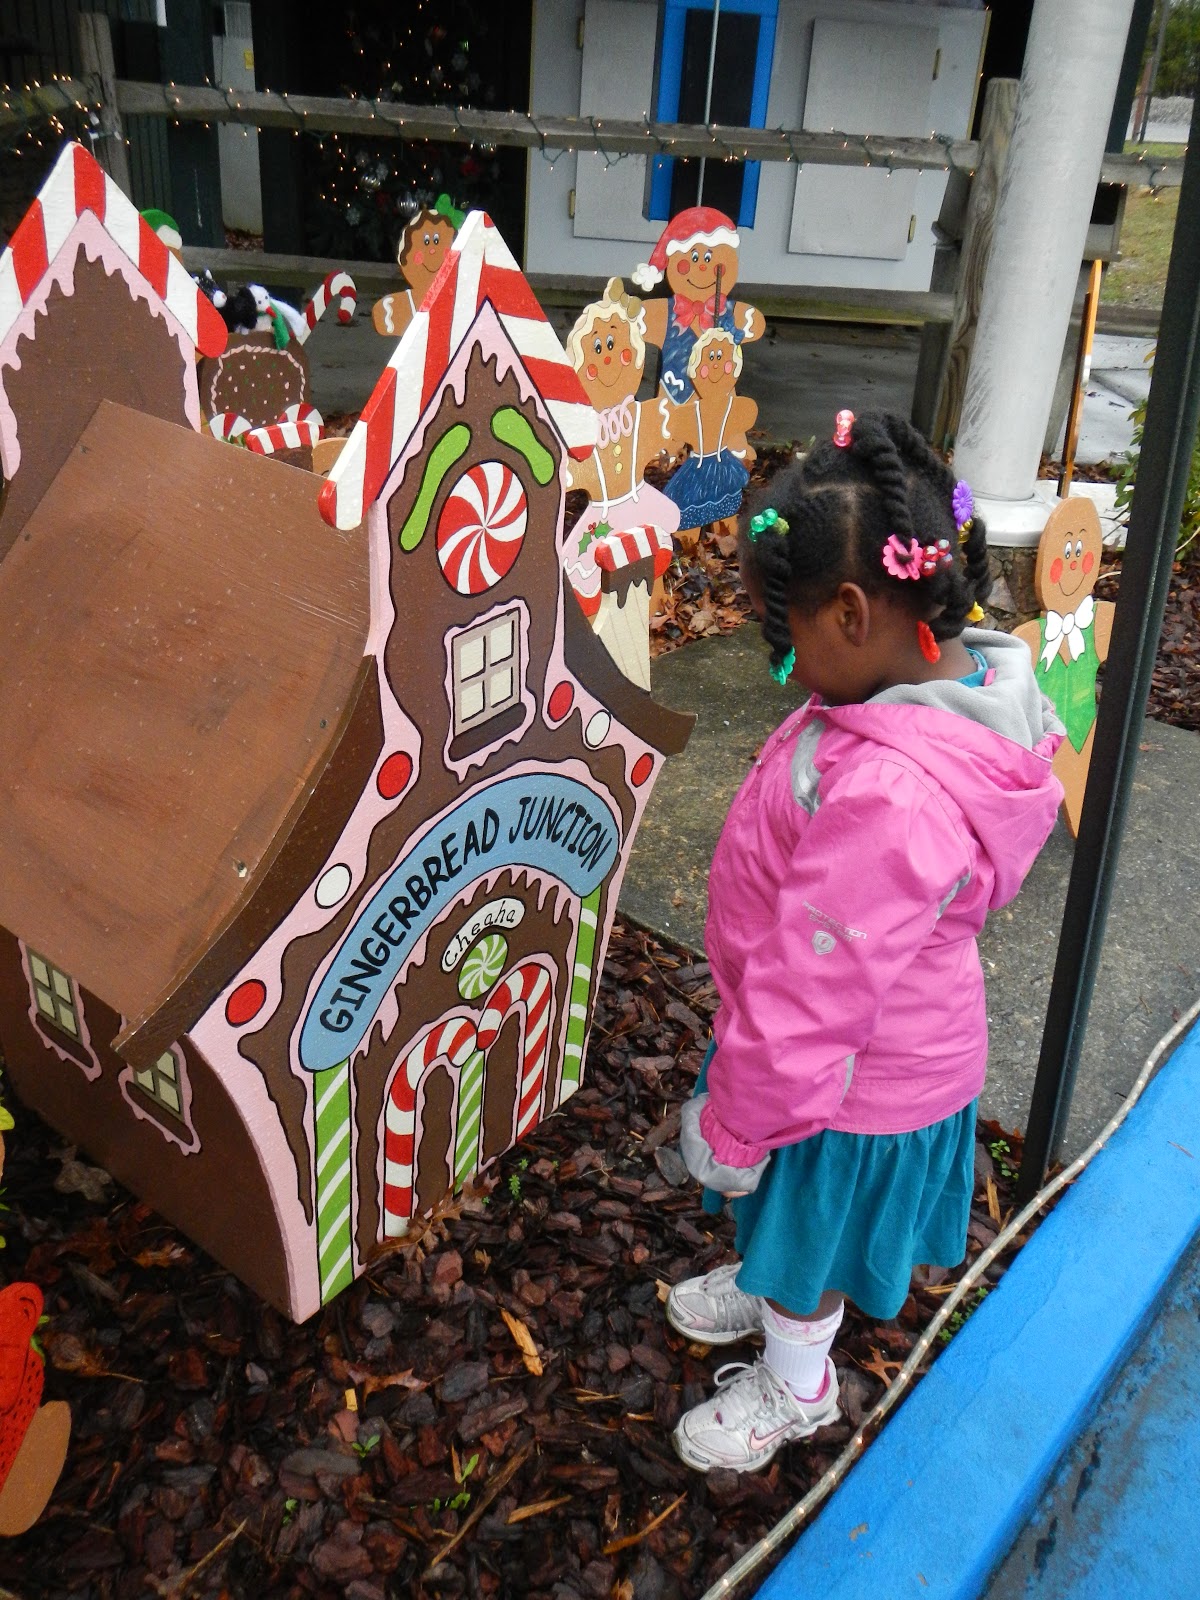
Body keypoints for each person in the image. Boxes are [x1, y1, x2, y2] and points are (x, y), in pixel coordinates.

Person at [666, 410, 1065, 1474]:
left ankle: (796, 1383)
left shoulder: (894, 793)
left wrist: (740, 1122)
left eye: (786, 633)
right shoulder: (919, 697)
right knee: (797, 1224)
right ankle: (776, 1283)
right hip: (835, 1059)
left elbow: (815, 993)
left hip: (845, 1086)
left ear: (850, 610)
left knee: (815, 1236)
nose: (787, 665)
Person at [564, 277, 680, 616]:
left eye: (615, 345)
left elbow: (667, 428)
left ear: (637, 358)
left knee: (653, 547)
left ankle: (655, 603)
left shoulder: (641, 415)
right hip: (601, 513)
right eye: (598, 349)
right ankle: (596, 618)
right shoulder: (583, 432)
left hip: (638, 497)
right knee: (583, 563)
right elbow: (571, 472)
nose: (609, 359)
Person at [631, 207, 764, 407]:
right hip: (672, 398)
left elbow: (755, 324)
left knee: (724, 419)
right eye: (694, 258)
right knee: (668, 422)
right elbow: (635, 319)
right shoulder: (666, 312)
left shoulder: (728, 312)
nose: (702, 267)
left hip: (718, 398)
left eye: (709, 258)